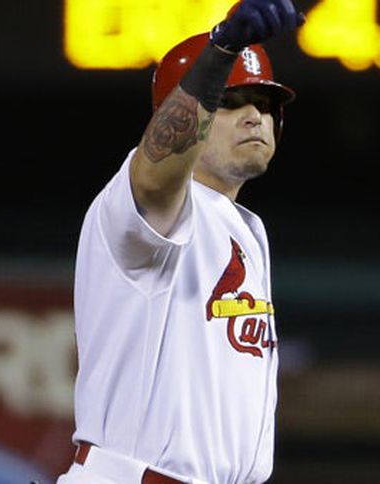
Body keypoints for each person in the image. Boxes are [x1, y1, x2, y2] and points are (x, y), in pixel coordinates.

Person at [58, 1, 304, 482]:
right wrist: (221, 50)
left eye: (264, 104)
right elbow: (155, 179)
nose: (254, 116)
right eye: (230, 101)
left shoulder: (246, 230)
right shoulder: (145, 210)